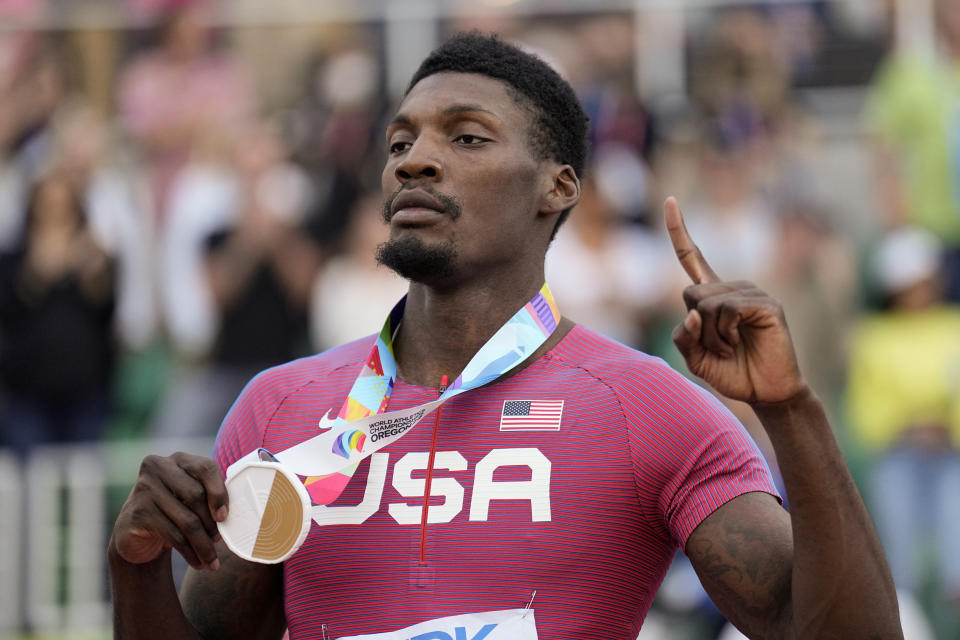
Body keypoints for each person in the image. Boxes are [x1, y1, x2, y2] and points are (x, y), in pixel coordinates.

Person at [108, 33, 901, 639]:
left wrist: (792, 410)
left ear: (558, 186)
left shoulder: (647, 408)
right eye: (400, 143)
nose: (416, 160)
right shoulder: (280, 406)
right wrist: (136, 567)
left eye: (467, 137)